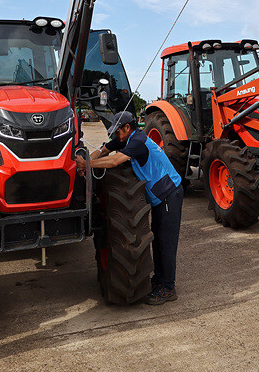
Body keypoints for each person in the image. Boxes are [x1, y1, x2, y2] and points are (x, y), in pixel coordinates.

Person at [76, 110, 183, 305]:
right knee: (157, 241)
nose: (115, 136)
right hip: (159, 198)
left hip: (170, 195)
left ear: (127, 128)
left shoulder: (138, 142)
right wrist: (85, 163)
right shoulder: (125, 139)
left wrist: (88, 164)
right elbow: (105, 150)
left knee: (166, 243)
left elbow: (115, 160)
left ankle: (168, 288)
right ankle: (159, 281)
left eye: (117, 131)